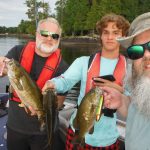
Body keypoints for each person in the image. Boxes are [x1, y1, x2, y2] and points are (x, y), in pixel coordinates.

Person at [42, 13, 130, 149]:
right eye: (105, 32)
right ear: (100, 36)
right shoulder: (83, 62)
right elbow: (64, 81)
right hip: (77, 128)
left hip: (109, 138)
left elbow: (133, 101)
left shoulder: (129, 69)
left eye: (116, 32)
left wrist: (118, 88)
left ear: (124, 36)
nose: (110, 37)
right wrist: (53, 83)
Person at [0, 17, 68, 150]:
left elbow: (59, 102)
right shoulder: (17, 52)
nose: (49, 39)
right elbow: (3, 70)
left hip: (45, 132)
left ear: (59, 39)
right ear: (36, 34)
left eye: (54, 36)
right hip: (15, 127)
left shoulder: (63, 67)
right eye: (44, 34)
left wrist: (44, 105)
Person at [102, 12, 150, 150]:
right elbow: (139, 113)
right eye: (136, 51)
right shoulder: (142, 87)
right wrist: (122, 101)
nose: (146, 55)